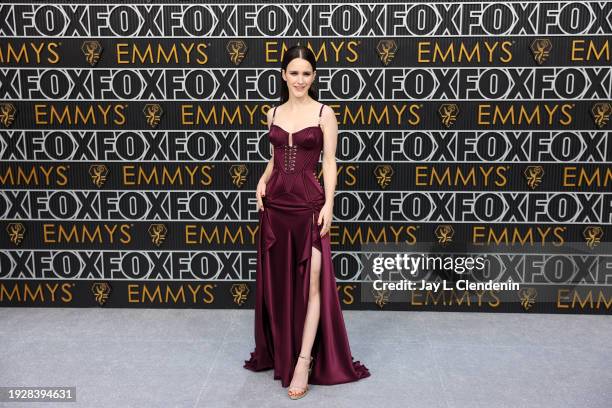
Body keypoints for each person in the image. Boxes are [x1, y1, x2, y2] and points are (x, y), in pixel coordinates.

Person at [244, 45, 371, 400]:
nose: (300, 79)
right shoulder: (273, 113)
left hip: (310, 206)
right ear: (283, 75)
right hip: (276, 206)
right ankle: (283, 349)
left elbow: (330, 162)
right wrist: (261, 180)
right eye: (294, 72)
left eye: (306, 73)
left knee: (313, 281)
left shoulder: (324, 113)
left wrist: (330, 202)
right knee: (283, 283)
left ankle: (303, 361)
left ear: (313, 77)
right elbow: (275, 157)